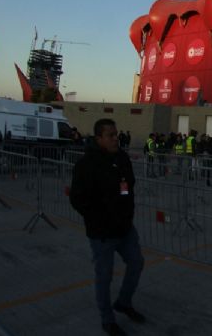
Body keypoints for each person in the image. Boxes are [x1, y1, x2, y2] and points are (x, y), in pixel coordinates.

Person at [69, 118, 145, 336]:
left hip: (125, 227)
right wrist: (98, 216)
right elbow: (77, 199)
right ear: (98, 138)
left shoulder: (121, 158)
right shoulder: (86, 165)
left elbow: (129, 184)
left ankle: (123, 302)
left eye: (116, 134)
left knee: (137, 262)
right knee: (104, 276)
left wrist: (125, 205)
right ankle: (107, 319)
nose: (115, 138)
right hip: (102, 232)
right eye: (110, 135)